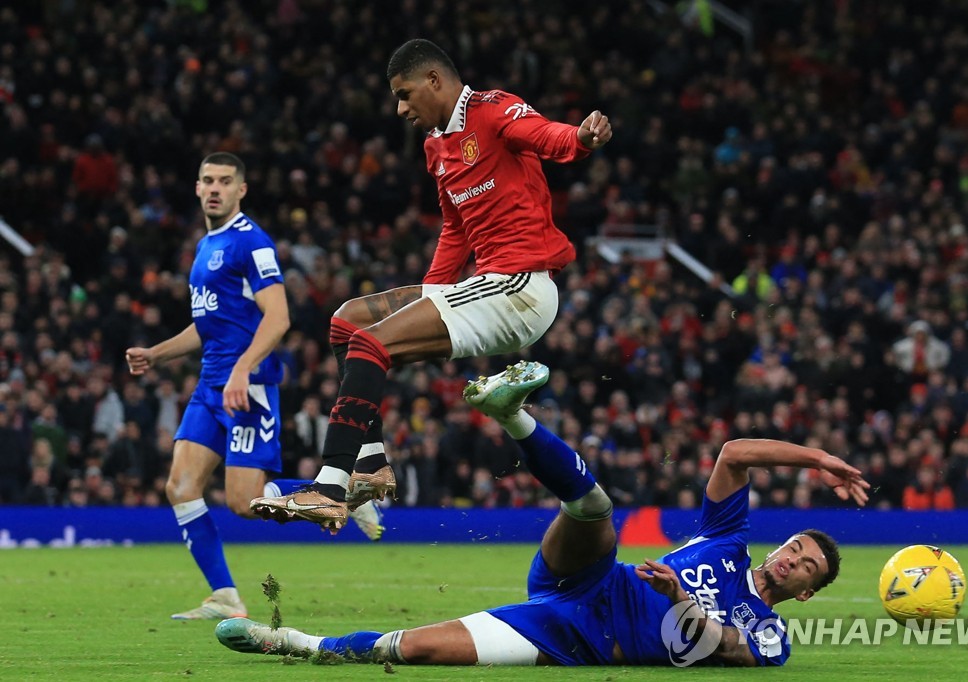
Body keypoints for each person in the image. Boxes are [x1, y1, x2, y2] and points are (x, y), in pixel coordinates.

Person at [220, 361, 869, 666]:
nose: (792, 557)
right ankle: (513, 414)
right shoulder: (728, 540)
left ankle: (294, 643)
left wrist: (683, 603)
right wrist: (817, 458)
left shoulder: (773, 634)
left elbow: (729, 650)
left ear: (807, 592)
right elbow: (733, 453)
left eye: (805, 564)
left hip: (575, 636)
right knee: (594, 512)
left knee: (412, 649)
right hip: (593, 582)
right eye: (795, 546)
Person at [250, 39, 613, 533]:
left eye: (404, 94)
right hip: (489, 284)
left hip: (521, 286)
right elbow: (455, 230)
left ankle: (330, 488)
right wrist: (430, 296)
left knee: (370, 341)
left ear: (435, 81)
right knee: (348, 322)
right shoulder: (435, 147)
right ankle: (372, 464)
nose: (400, 108)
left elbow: (544, 134)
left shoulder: (493, 109)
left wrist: (582, 138)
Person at [125, 153, 382, 621]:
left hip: (249, 386)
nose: (215, 188)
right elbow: (207, 326)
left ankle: (343, 490)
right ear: (198, 188)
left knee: (244, 502)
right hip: (211, 387)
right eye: (208, 180)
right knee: (180, 486)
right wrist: (156, 354)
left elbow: (279, 316)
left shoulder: (252, 243)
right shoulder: (206, 247)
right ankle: (225, 595)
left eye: (225, 180)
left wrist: (243, 369)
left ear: (241, 189)